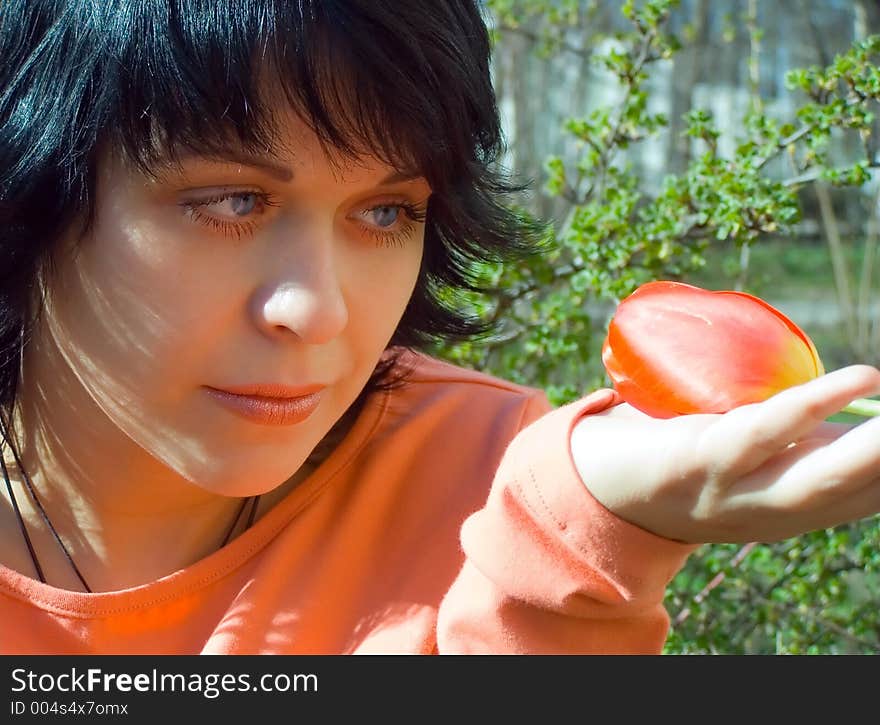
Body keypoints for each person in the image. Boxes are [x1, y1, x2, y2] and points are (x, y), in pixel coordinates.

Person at [1, 0, 878, 655]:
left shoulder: (491, 476)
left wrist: (581, 542)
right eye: (233, 201)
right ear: (30, 187)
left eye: (384, 213)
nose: (319, 311)